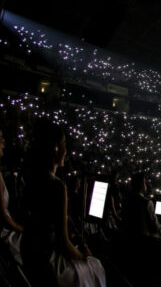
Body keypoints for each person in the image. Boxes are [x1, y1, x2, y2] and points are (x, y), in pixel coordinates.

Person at [20, 120, 106, 286]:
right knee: (95, 265)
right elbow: (63, 242)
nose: (66, 150)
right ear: (55, 148)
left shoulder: (31, 179)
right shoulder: (57, 186)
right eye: (64, 144)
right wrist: (83, 256)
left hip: (30, 255)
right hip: (48, 263)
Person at [121, 172, 161, 262]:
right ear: (142, 184)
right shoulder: (146, 202)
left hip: (130, 242)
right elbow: (156, 228)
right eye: (145, 183)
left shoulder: (126, 200)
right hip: (145, 242)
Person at [0, 129, 23, 265]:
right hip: (5, 236)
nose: (3, 143)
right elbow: (4, 218)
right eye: (0, 138)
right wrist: (23, 230)